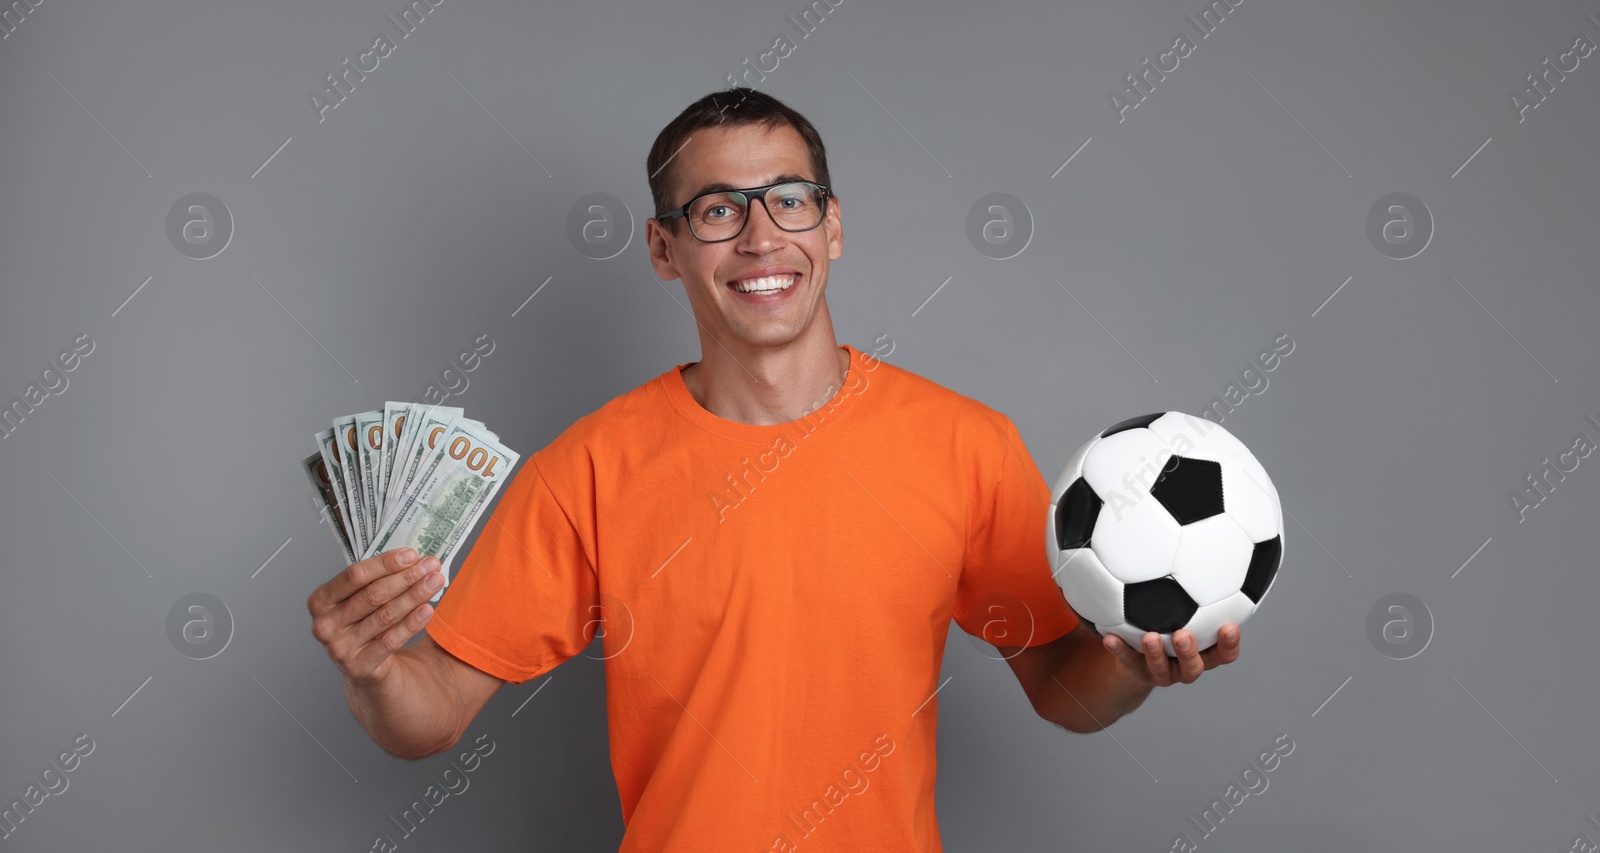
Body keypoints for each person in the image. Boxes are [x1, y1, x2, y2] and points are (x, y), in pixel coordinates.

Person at [307, 87, 1242, 852]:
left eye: (788, 199)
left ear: (831, 226)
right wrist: (377, 674)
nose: (761, 239)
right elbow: (429, 718)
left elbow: (1062, 688)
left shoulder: (965, 445)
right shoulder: (588, 470)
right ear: (664, 250)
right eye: (717, 210)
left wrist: (1134, 665)